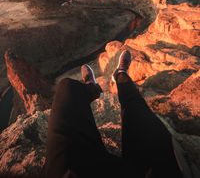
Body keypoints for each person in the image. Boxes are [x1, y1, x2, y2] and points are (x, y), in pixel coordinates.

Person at [44, 50, 184, 178]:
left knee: (66, 87)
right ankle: (120, 74)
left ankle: (92, 89)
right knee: (144, 118)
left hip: (77, 170)